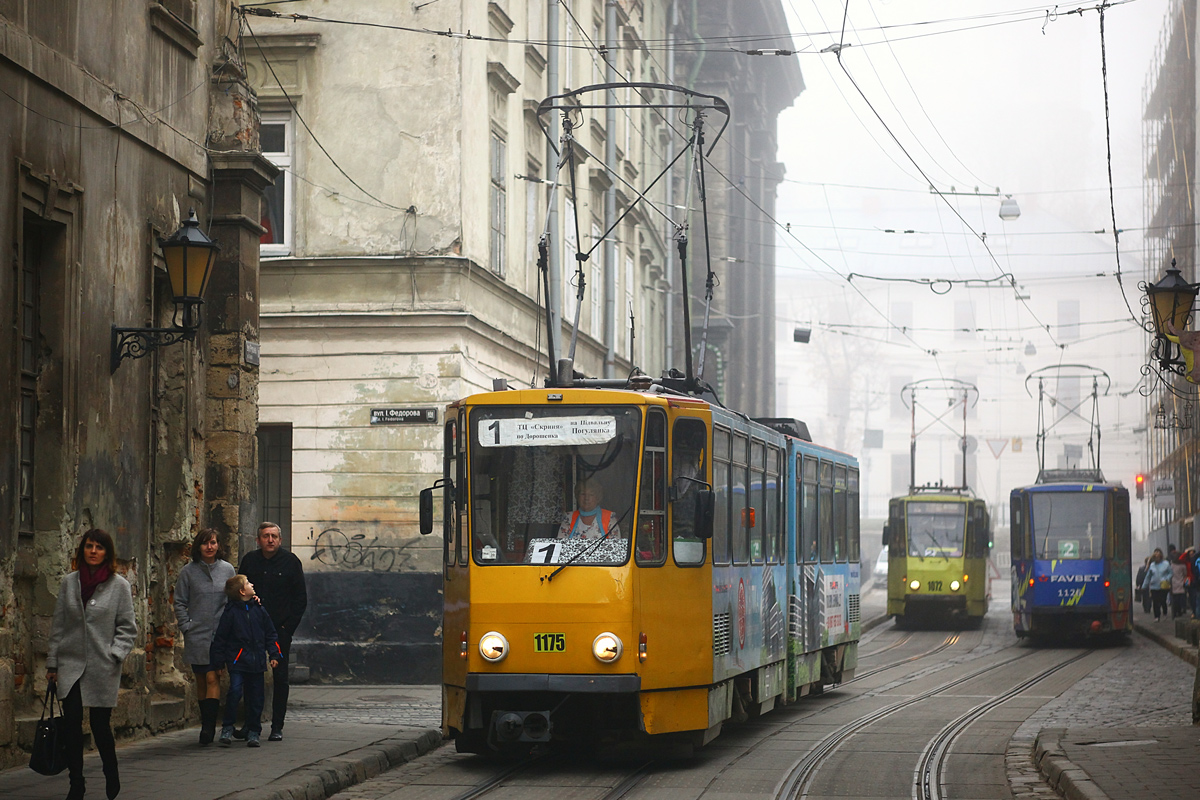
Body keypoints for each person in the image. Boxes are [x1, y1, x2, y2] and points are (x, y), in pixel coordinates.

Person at [46, 529, 138, 800]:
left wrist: (116, 653)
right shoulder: (69, 583)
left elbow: (128, 627)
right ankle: (76, 783)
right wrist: (53, 664)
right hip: (70, 664)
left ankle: (111, 771)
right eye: (89, 546)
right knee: (72, 725)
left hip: (102, 665)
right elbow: (59, 625)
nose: (93, 551)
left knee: (100, 726)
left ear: (107, 553)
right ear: (82, 550)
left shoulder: (118, 585)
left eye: (99, 547)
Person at [238, 521, 307, 741]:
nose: (270, 540)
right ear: (258, 540)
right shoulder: (250, 561)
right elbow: (240, 593)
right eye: (266, 536)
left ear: (280, 539)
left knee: (280, 677)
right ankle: (251, 724)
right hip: (252, 628)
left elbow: (300, 599)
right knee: (250, 675)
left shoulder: (290, 562)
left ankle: (277, 725)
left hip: (279, 629)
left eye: (274, 536)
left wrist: (288, 628)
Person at [173, 528, 235, 745]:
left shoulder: (227, 570)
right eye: (206, 543)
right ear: (198, 547)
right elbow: (179, 601)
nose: (210, 547)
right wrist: (186, 626)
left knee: (213, 677)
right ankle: (204, 721)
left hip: (220, 633)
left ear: (219, 546)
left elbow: (234, 597)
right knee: (201, 679)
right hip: (196, 633)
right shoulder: (188, 572)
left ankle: (209, 728)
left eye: (214, 543)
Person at [210, 575, 281, 746]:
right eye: (248, 583)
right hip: (238, 661)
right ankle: (228, 726)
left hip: (256, 661)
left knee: (256, 697)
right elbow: (221, 638)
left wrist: (274, 654)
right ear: (242, 591)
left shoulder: (259, 609)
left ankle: (254, 730)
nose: (252, 584)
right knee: (234, 692)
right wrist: (219, 662)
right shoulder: (231, 612)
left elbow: (270, 634)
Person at [1142, 548, 1172, 622]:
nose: (1157, 558)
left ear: (1161, 556)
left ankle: (1164, 613)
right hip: (1154, 586)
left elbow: (1171, 573)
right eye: (1155, 557)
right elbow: (1148, 576)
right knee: (1155, 602)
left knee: (1162, 601)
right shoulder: (1152, 565)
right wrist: (1144, 586)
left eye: (1158, 556)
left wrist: (1166, 579)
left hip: (1163, 586)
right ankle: (1157, 616)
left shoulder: (1166, 564)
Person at [1170, 551, 1189, 619]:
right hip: (1181, 583)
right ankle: (1180, 611)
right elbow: (1185, 574)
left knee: (1175, 599)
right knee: (1180, 598)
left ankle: (1175, 612)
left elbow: (1170, 574)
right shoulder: (1183, 566)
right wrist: (1187, 584)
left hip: (1174, 583)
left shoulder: (1172, 565)